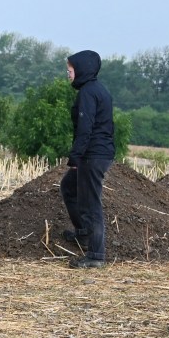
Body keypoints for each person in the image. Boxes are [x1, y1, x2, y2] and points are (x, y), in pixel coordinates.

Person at [61, 50, 114, 269]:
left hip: (93, 155)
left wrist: (75, 156)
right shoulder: (96, 89)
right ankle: (83, 232)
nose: (67, 73)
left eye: (70, 70)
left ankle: (96, 255)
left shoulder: (88, 93)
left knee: (91, 205)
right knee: (69, 187)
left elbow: (85, 128)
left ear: (81, 70)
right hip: (94, 153)